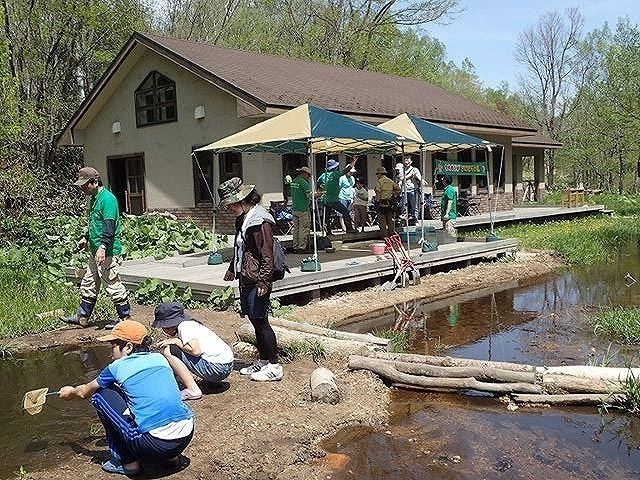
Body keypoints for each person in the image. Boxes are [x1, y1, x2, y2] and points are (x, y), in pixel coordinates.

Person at [58, 320, 194, 476]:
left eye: (113, 346)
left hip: (154, 446)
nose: (111, 352)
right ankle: (171, 459)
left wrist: (70, 392)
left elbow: (84, 392)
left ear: (128, 347)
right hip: (185, 436)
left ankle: (128, 463)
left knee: (100, 395)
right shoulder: (159, 358)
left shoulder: (117, 367)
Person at [220, 177, 283, 382]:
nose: (229, 208)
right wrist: (232, 268)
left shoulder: (259, 221)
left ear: (242, 200)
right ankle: (263, 360)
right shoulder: (243, 218)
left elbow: (266, 254)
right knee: (254, 320)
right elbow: (242, 248)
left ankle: (274, 365)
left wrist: (265, 282)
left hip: (258, 278)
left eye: (230, 204)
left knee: (262, 321)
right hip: (247, 276)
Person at [61, 167, 131, 329]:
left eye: (85, 185)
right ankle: (82, 317)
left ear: (95, 182)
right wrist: (86, 238)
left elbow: (109, 227)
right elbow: (95, 225)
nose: (82, 188)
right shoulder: (94, 199)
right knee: (89, 282)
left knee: (112, 284)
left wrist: (103, 247)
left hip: (107, 251)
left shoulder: (108, 199)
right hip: (95, 250)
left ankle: (125, 319)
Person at [153, 301, 234, 401]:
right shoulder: (191, 324)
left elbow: (195, 351)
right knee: (176, 348)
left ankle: (193, 390)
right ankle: (186, 379)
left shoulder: (184, 327)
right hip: (227, 365)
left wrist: (176, 341)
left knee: (169, 350)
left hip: (217, 369)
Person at [317, 158, 357, 235]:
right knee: (345, 212)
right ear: (335, 168)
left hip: (325, 199)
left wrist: (323, 187)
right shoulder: (335, 174)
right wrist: (353, 163)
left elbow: (318, 182)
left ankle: (328, 231)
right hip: (333, 200)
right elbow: (345, 171)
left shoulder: (323, 175)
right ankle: (349, 229)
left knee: (327, 216)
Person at [290, 166, 312, 252]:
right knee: (303, 229)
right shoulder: (304, 183)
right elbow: (309, 195)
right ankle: (301, 247)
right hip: (303, 209)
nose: (309, 177)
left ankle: (295, 246)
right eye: (308, 175)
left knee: (296, 229)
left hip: (295, 208)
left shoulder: (294, 181)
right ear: (305, 173)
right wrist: (318, 194)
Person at [374, 166, 401, 238]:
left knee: (382, 221)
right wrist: (394, 196)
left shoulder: (379, 182)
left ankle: (384, 236)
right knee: (389, 219)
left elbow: (378, 192)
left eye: (377, 174)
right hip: (389, 202)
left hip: (381, 202)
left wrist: (377, 201)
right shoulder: (390, 181)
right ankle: (391, 234)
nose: (377, 176)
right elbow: (398, 189)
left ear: (380, 174)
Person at [395, 156, 422, 223]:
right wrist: (410, 175)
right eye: (405, 160)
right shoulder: (401, 169)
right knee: (403, 206)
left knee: (414, 206)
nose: (406, 162)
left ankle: (415, 220)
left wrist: (421, 180)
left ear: (411, 162)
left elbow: (418, 176)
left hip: (413, 189)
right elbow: (401, 178)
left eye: (408, 160)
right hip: (404, 190)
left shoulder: (414, 169)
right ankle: (404, 219)